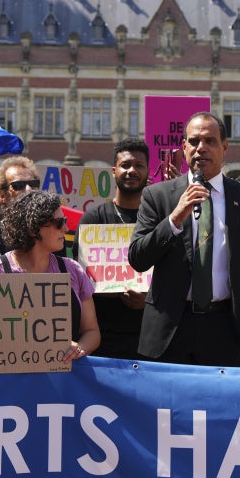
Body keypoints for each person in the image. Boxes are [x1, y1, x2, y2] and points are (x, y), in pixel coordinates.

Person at [129, 112, 240, 366]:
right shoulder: (157, 196)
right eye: (194, 141)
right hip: (169, 331)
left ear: (224, 147)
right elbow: (138, 258)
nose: (201, 149)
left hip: (226, 330)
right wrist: (174, 218)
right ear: (184, 147)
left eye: (210, 141)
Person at [0, 190, 100, 361]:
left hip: (64, 379)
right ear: (33, 228)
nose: (66, 229)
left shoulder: (73, 270)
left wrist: (78, 350)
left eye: (65, 221)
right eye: (59, 223)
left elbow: (91, 331)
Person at [74, 137, 149, 360]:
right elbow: (80, 276)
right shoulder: (93, 218)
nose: (131, 171)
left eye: (139, 165)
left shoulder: (157, 219)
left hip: (147, 338)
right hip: (101, 335)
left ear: (148, 172)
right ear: (114, 171)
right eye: (125, 165)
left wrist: (148, 299)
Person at [0, 155, 40, 253]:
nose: (28, 189)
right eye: (19, 185)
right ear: (2, 196)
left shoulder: (50, 225)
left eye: (33, 184)